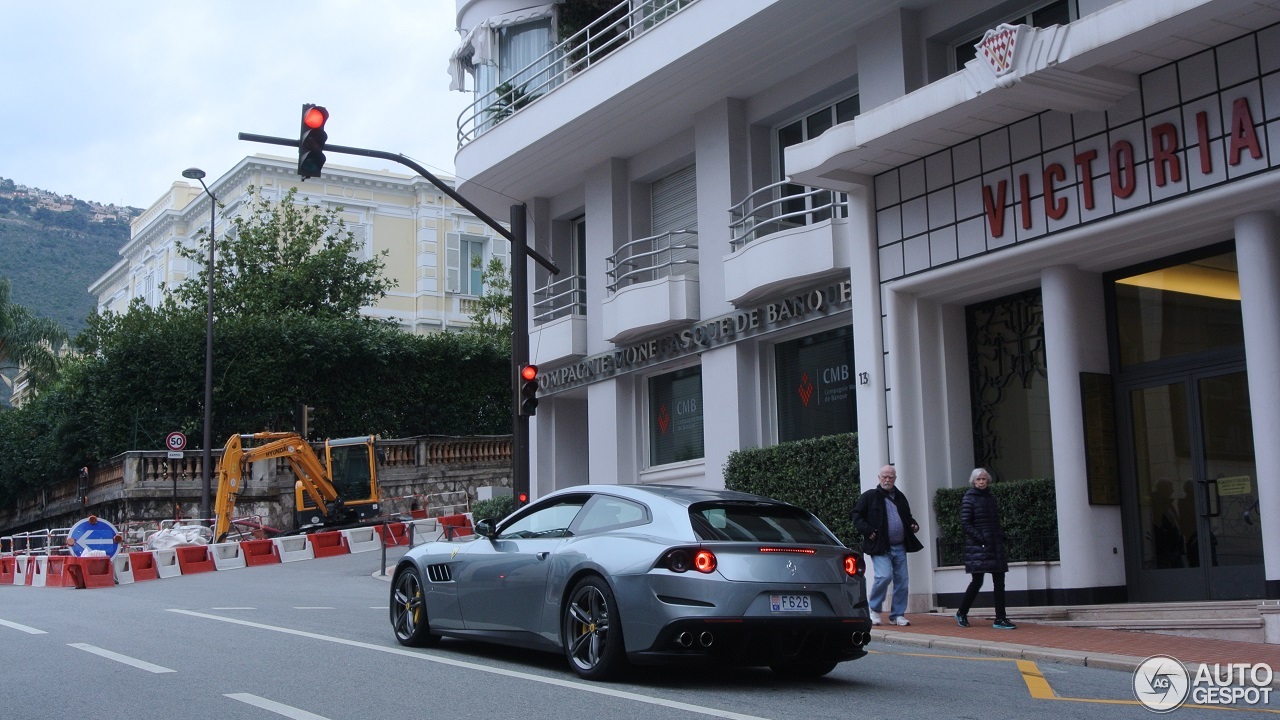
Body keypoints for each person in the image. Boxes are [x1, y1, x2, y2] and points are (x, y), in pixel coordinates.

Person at [852, 465, 923, 626]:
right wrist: (867, 530)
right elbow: (856, 515)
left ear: (895, 479)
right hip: (880, 546)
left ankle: (897, 614)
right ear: (879, 478)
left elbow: (908, 517)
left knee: (902, 581)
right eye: (884, 476)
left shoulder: (900, 497)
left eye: (890, 477)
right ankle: (874, 609)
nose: (887, 479)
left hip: (899, 546)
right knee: (884, 576)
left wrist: (914, 525)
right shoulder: (869, 496)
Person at [954, 468, 1016, 630]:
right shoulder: (969, 498)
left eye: (984, 479)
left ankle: (1000, 618)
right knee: (977, 581)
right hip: (978, 546)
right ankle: (961, 612)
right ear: (973, 482)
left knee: (999, 582)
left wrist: (1000, 536)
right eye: (978, 479)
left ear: (988, 481)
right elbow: (966, 523)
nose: (981, 482)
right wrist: (981, 539)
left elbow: (994, 521)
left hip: (994, 545)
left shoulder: (991, 498)